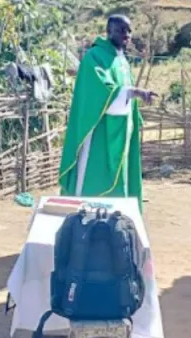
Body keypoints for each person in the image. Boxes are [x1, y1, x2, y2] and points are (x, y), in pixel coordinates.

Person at [58, 15, 155, 211]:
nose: (126, 35)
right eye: (121, 30)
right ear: (108, 31)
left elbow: (123, 94)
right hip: (97, 131)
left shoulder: (121, 60)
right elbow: (100, 92)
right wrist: (136, 92)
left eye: (129, 31)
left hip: (120, 130)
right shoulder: (95, 57)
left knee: (119, 180)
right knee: (94, 178)